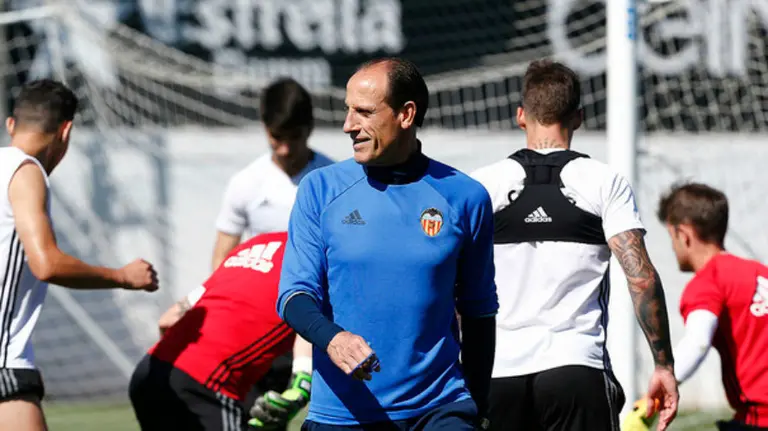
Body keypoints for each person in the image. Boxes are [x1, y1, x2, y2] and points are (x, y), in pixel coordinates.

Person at [276, 57, 498, 430]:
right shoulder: (319, 189)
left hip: (440, 408)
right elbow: (293, 297)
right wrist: (333, 339)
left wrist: (478, 406)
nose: (349, 126)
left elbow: (478, 312)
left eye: (363, 112)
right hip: (343, 416)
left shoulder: (466, 197)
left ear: (406, 114)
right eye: (348, 111)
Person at [470, 59, 679, 431]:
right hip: (575, 367)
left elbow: (454, 283)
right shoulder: (603, 181)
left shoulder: (483, 185)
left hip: (497, 372)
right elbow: (642, 279)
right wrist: (663, 365)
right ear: (579, 117)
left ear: (521, 115)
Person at [0, 79, 158, 431]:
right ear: (66, 131)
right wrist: (122, 276)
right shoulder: (25, 172)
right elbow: (46, 264)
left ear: (12, 125)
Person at [212, 78, 333, 429]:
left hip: (314, 327)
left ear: (309, 129)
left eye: (292, 138)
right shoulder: (246, 183)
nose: (283, 148)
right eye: (275, 137)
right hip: (259, 331)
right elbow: (222, 260)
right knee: (261, 422)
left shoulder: (332, 179)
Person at [625, 183, 768, 431]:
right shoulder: (760, 273)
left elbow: (698, 342)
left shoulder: (708, 282)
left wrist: (660, 391)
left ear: (683, 234)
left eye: (671, 237)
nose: (673, 247)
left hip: (759, 417)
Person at [129, 231, 306, 431]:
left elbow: (168, 320)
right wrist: (301, 384)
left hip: (151, 371)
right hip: (206, 385)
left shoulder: (256, 244)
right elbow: (310, 325)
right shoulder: (317, 259)